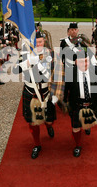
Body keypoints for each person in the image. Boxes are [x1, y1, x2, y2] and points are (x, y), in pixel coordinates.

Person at [16, 31, 64, 159]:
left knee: (48, 120)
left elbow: (58, 73)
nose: (38, 44)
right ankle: (37, 144)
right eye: (36, 42)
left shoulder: (52, 54)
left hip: (46, 91)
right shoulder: (25, 54)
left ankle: (49, 126)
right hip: (31, 92)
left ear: (44, 42)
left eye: (41, 42)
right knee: (33, 122)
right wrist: (27, 63)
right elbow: (15, 70)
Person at [63, 48, 97, 157]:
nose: (85, 64)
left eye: (87, 61)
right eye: (81, 61)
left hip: (92, 104)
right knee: (76, 127)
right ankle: (78, 145)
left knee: (88, 123)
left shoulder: (96, 70)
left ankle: (87, 126)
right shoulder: (70, 73)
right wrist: (65, 102)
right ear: (75, 62)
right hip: (77, 104)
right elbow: (66, 89)